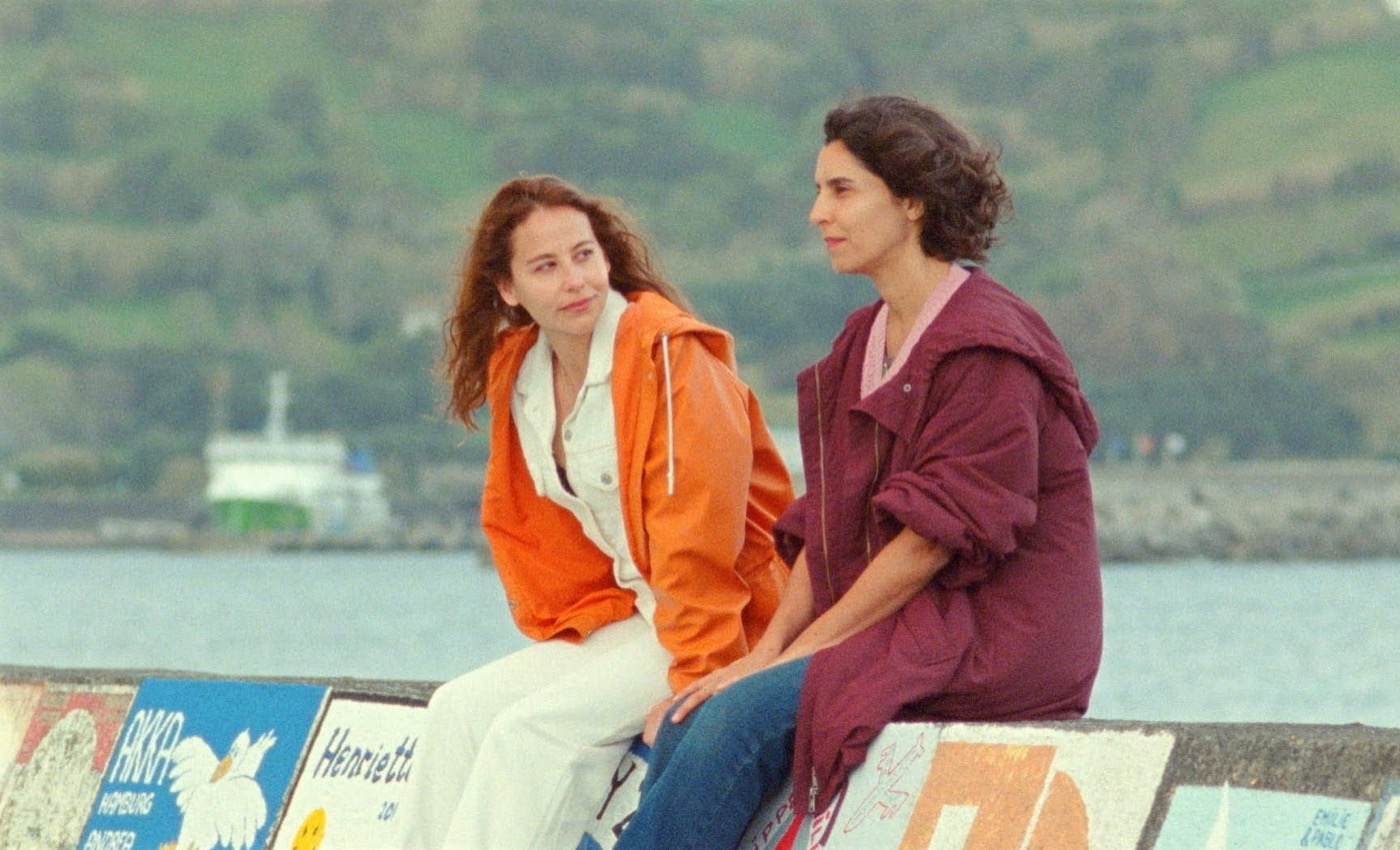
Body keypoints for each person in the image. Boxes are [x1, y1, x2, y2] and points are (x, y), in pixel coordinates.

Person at [616, 94, 1103, 850]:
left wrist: (795, 660)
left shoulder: (986, 347)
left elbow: (927, 544)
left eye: (842, 190)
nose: (819, 213)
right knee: (692, 718)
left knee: (736, 721)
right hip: (905, 623)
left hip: (993, 638)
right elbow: (831, 521)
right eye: (819, 190)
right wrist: (764, 655)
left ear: (911, 202)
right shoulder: (863, 337)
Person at [405, 176, 794, 850]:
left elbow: (701, 547)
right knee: (456, 711)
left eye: (584, 255)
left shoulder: (670, 358)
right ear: (508, 288)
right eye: (546, 267)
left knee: (532, 732)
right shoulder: (521, 374)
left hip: (725, 622)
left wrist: (698, 685)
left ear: (606, 256)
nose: (575, 280)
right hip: (634, 615)